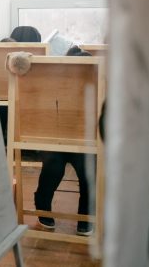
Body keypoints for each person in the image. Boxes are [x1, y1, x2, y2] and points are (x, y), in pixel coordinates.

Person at [34, 44, 95, 236]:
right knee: (53, 168)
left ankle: (86, 216)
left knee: (88, 173)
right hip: (57, 136)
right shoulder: (57, 83)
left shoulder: (97, 84)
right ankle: (42, 206)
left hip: (85, 140)